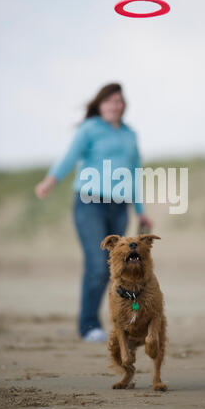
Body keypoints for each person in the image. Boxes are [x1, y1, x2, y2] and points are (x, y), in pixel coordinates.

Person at [35, 83, 152, 342]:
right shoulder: (90, 129)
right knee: (98, 264)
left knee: (113, 267)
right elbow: (70, 157)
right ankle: (89, 326)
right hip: (89, 204)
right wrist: (50, 180)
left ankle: (105, 322)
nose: (114, 105)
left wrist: (141, 211)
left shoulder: (130, 134)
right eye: (109, 101)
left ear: (124, 105)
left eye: (118, 101)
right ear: (100, 105)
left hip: (119, 207)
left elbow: (135, 173)